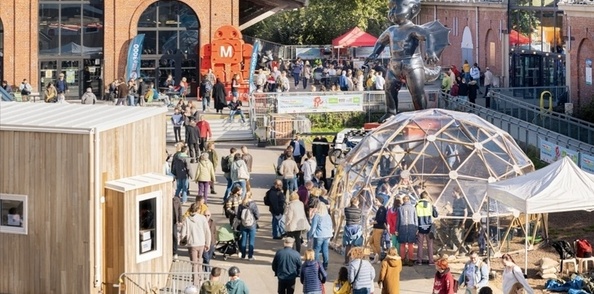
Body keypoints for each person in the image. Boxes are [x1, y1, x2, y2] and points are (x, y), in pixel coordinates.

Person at [180, 203, 211, 286]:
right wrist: (207, 243)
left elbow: (183, 233)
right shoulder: (203, 218)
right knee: (199, 261)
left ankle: (195, 282)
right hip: (201, 243)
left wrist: (182, 240)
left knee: (194, 263)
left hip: (192, 243)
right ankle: (200, 279)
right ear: (198, 210)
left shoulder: (187, 219)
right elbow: (207, 231)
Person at [308, 202, 333, 270]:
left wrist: (310, 235)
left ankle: (317, 264)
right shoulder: (328, 216)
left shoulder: (317, 216)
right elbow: (331, 225)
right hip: (327, 234)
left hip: (319, 235)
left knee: (316, 250)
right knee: (325, 250)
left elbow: (313, 227)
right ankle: (325, 265)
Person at [416, 191, 438, 265]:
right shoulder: (430, 205)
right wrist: (434, 206)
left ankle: (419, 261)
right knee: (430, 245)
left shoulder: (417, 205)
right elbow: (435, 215)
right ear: (427, 197)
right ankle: (431, 261)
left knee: (420, 245)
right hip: (429, 227)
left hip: (420, 227)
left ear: (420, 197)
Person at [237, 192, 259, 260]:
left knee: (243, 240)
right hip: (252, 224)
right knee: (251, 241)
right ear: (251, 196)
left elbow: (238, 216)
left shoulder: (241, 204)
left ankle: (243, 255)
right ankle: (250, 256)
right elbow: (257, 215)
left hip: (243, 224)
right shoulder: (253, 204)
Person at [397, 195, 418, 266]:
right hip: (411, 228)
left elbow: (398, 220)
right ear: (409, 200)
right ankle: (410, 260)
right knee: (410, 245)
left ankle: (402, 259)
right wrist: (416, 228)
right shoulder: (413, 208)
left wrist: (397, 229)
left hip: (402, 228)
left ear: (403, 200)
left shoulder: (400, 208)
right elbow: (415, 219)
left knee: (402, 244)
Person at [343, 196, 363, 264]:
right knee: (356, 245)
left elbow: (346, 215)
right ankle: (355, 261)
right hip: (356, 228)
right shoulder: (359, 210)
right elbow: (360, 218)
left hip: (348, 227)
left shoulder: (346, 209)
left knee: (348, 245)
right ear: (356, 202)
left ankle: (346, 261)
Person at [450, 187, 469, 254]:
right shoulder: (455, 200)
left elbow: (465, 212)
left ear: (456, 192)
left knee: (456, 236)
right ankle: (462, 249)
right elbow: (454, 210)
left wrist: (463, 222)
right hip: (455, 221)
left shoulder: (462, 200)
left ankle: (463, 250)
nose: (452, 193)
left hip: (459, 222)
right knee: (453, 236)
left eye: (453, 192)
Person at [369, 197, 387, 264]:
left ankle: (378, 257)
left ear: (380, 201)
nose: (375, 201)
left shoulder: (382, 209)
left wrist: (373, 222)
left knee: (376, 243)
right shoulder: (380, 209)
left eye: (377, 200)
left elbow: (381, 220)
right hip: (376, 227)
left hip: (379, 228)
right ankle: (376, 254)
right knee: (371, 242)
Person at [173, 195, 182, 260]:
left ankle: (175, 252)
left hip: (174, 222)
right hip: (168, 221)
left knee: (175, 236)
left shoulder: (176, 200)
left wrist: (180, 220)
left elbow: (179, 210)